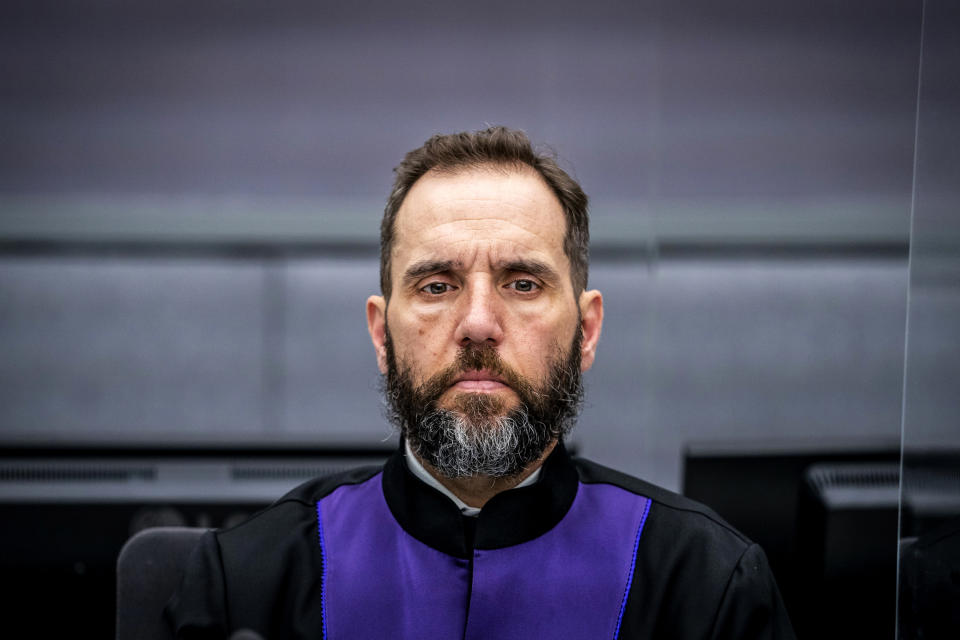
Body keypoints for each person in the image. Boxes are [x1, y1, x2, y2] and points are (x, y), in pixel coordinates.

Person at [166, 127, 796, 639]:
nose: (477, 324)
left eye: (523, 283)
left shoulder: (707, 586)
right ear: (382, 335)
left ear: (588, 330)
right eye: (436, 286)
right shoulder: (247, 584)